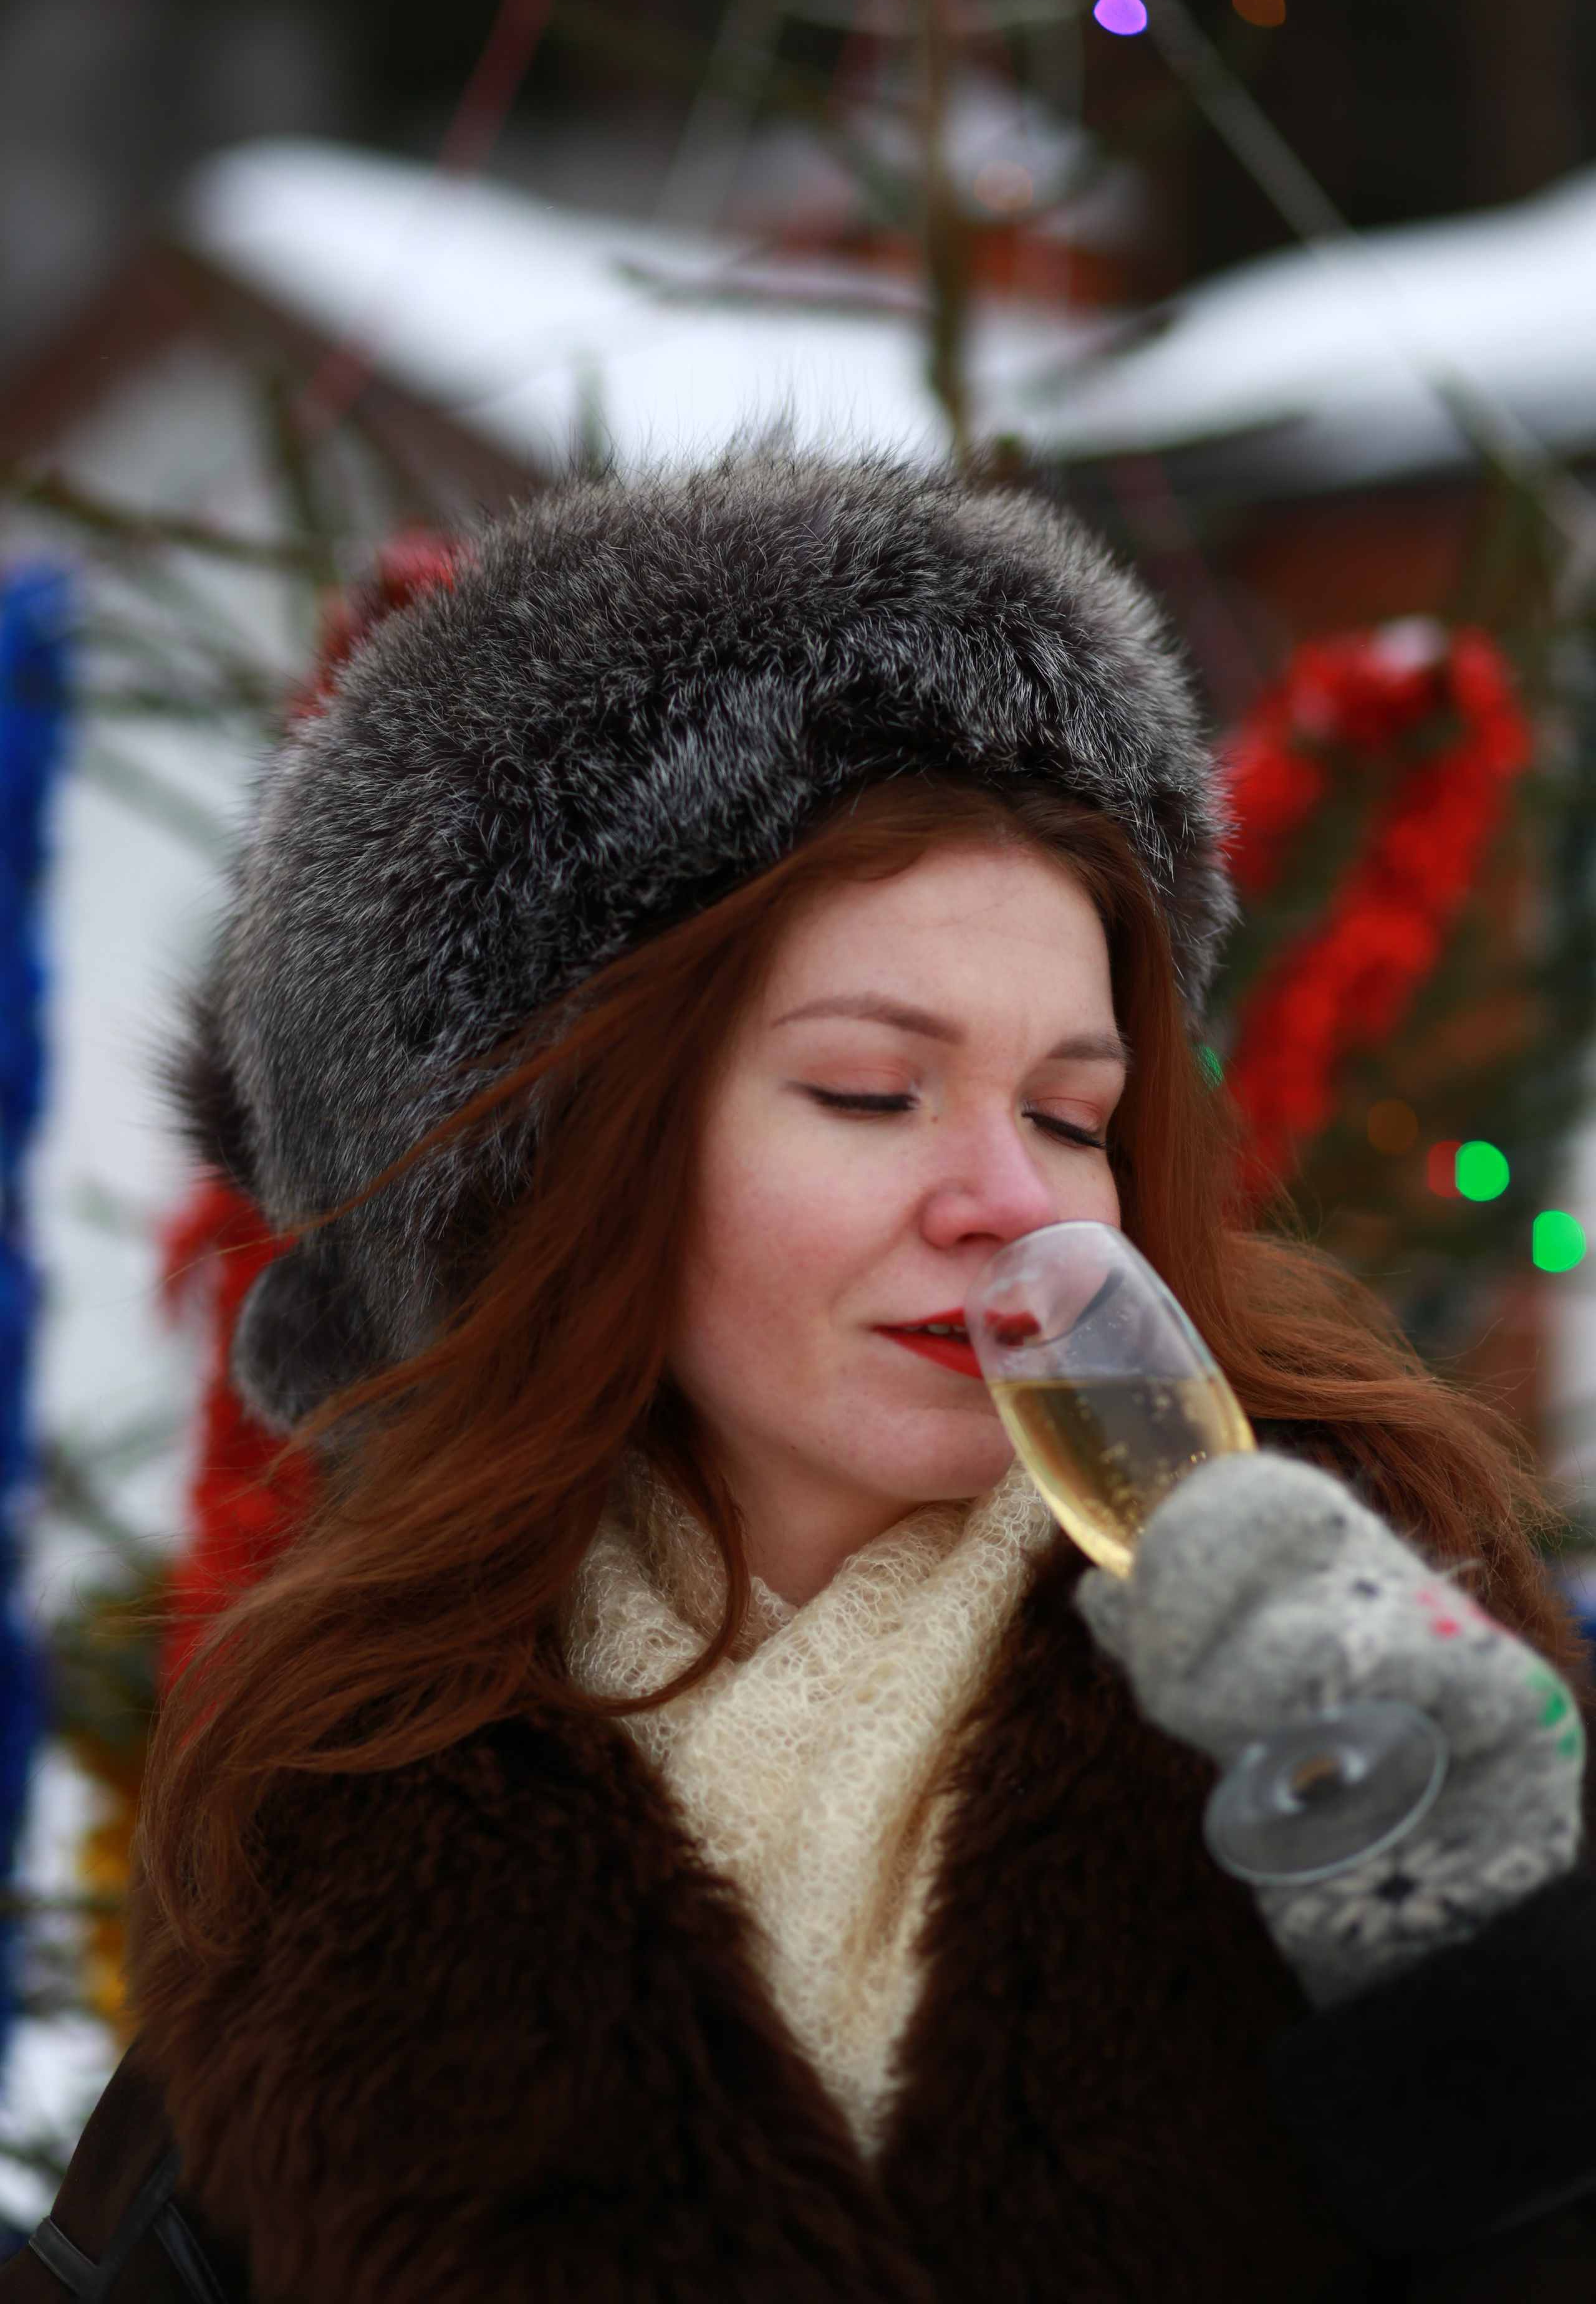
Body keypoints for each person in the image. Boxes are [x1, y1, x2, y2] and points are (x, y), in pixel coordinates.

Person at [7, 457, 1596, 2304]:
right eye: (870, 1090)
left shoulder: (1374, 1670)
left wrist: (1516, 1993)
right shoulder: (337, 1808)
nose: (1011, 1198)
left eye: (1071, 1113)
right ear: (566, 1152)